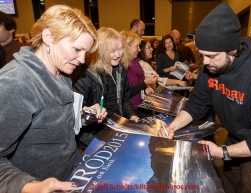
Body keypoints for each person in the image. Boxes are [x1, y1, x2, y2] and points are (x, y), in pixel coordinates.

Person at [159, 3, 251, 193]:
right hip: (235, 136)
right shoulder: (210, 67)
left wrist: (222, 152)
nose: (206, 62)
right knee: (229, 186)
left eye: (211, 56)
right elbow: (195, 104)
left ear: (232, 50)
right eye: (202, 55)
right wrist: (173, 126)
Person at [0, 5, 107, 193]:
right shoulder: (15, 84)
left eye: (86, 52)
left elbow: (54, 123)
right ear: (49, 37)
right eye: (76, 49)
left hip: (73, 171)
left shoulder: (62, 71)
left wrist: (84, 115)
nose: (82, 60)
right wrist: (30, 187)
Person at [72, 27, 139, 149]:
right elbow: (78, 114)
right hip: (95, 137)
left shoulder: (120, 70)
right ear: (101, 50)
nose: (118, 54)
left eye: (120, 49)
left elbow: (125, 99)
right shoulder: (84, 75)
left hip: (116, 131)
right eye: (113, 51)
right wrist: (95, 143)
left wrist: (132, 115)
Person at [121, 30, 157, 118]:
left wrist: (145, 88)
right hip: (129, 110)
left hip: (139, 106)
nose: (139, 49)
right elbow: (126, 93)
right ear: (127, 46)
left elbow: (138, 81)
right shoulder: (120, 67)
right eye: (137, 46)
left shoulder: (134, 62)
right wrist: (145, 83)